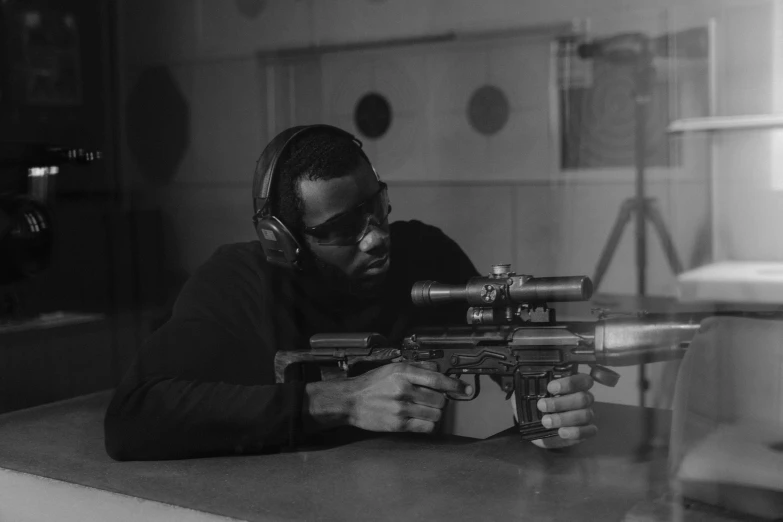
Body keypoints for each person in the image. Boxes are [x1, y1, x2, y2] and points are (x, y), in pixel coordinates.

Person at [104, 125, 596, 461]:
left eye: (376, 207)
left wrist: (544, 408)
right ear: (286, 242)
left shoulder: (426, 253)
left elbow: (504, 353)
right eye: (342, 229)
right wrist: (341, 400)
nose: (377, 236)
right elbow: (131, 418)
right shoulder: (238, 283)